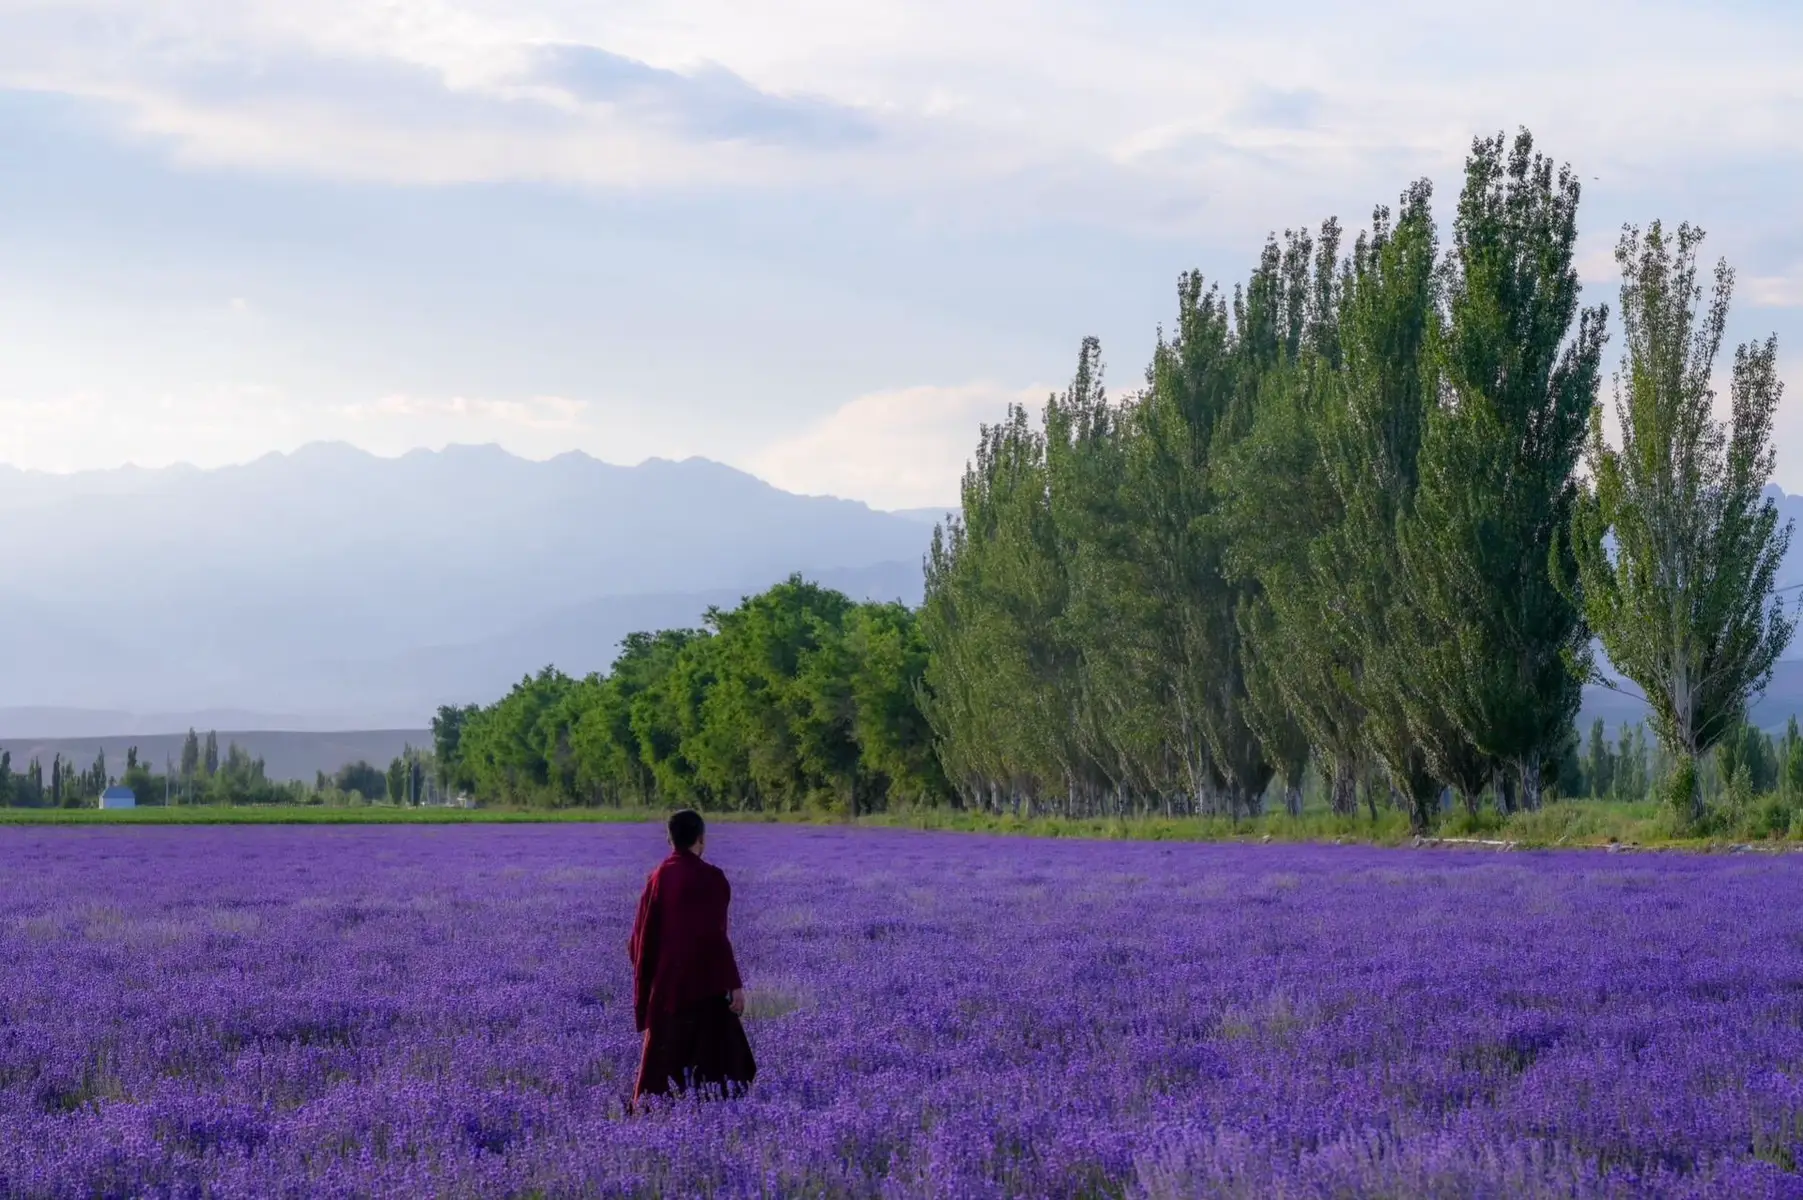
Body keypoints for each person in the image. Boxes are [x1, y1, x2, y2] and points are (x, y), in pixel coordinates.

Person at [628, 809, 756, 1107]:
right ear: (701, 839)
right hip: (706, 985)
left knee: (661, 1068)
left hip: (668, 987)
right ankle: (712, 1111)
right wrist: (733, 984)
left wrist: (648, 977)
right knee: (725, 1063)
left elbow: (639, 938)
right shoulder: (712, 878)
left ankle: (656, 1114)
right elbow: (716, 936)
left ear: (669, 839)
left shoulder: (658, 876)